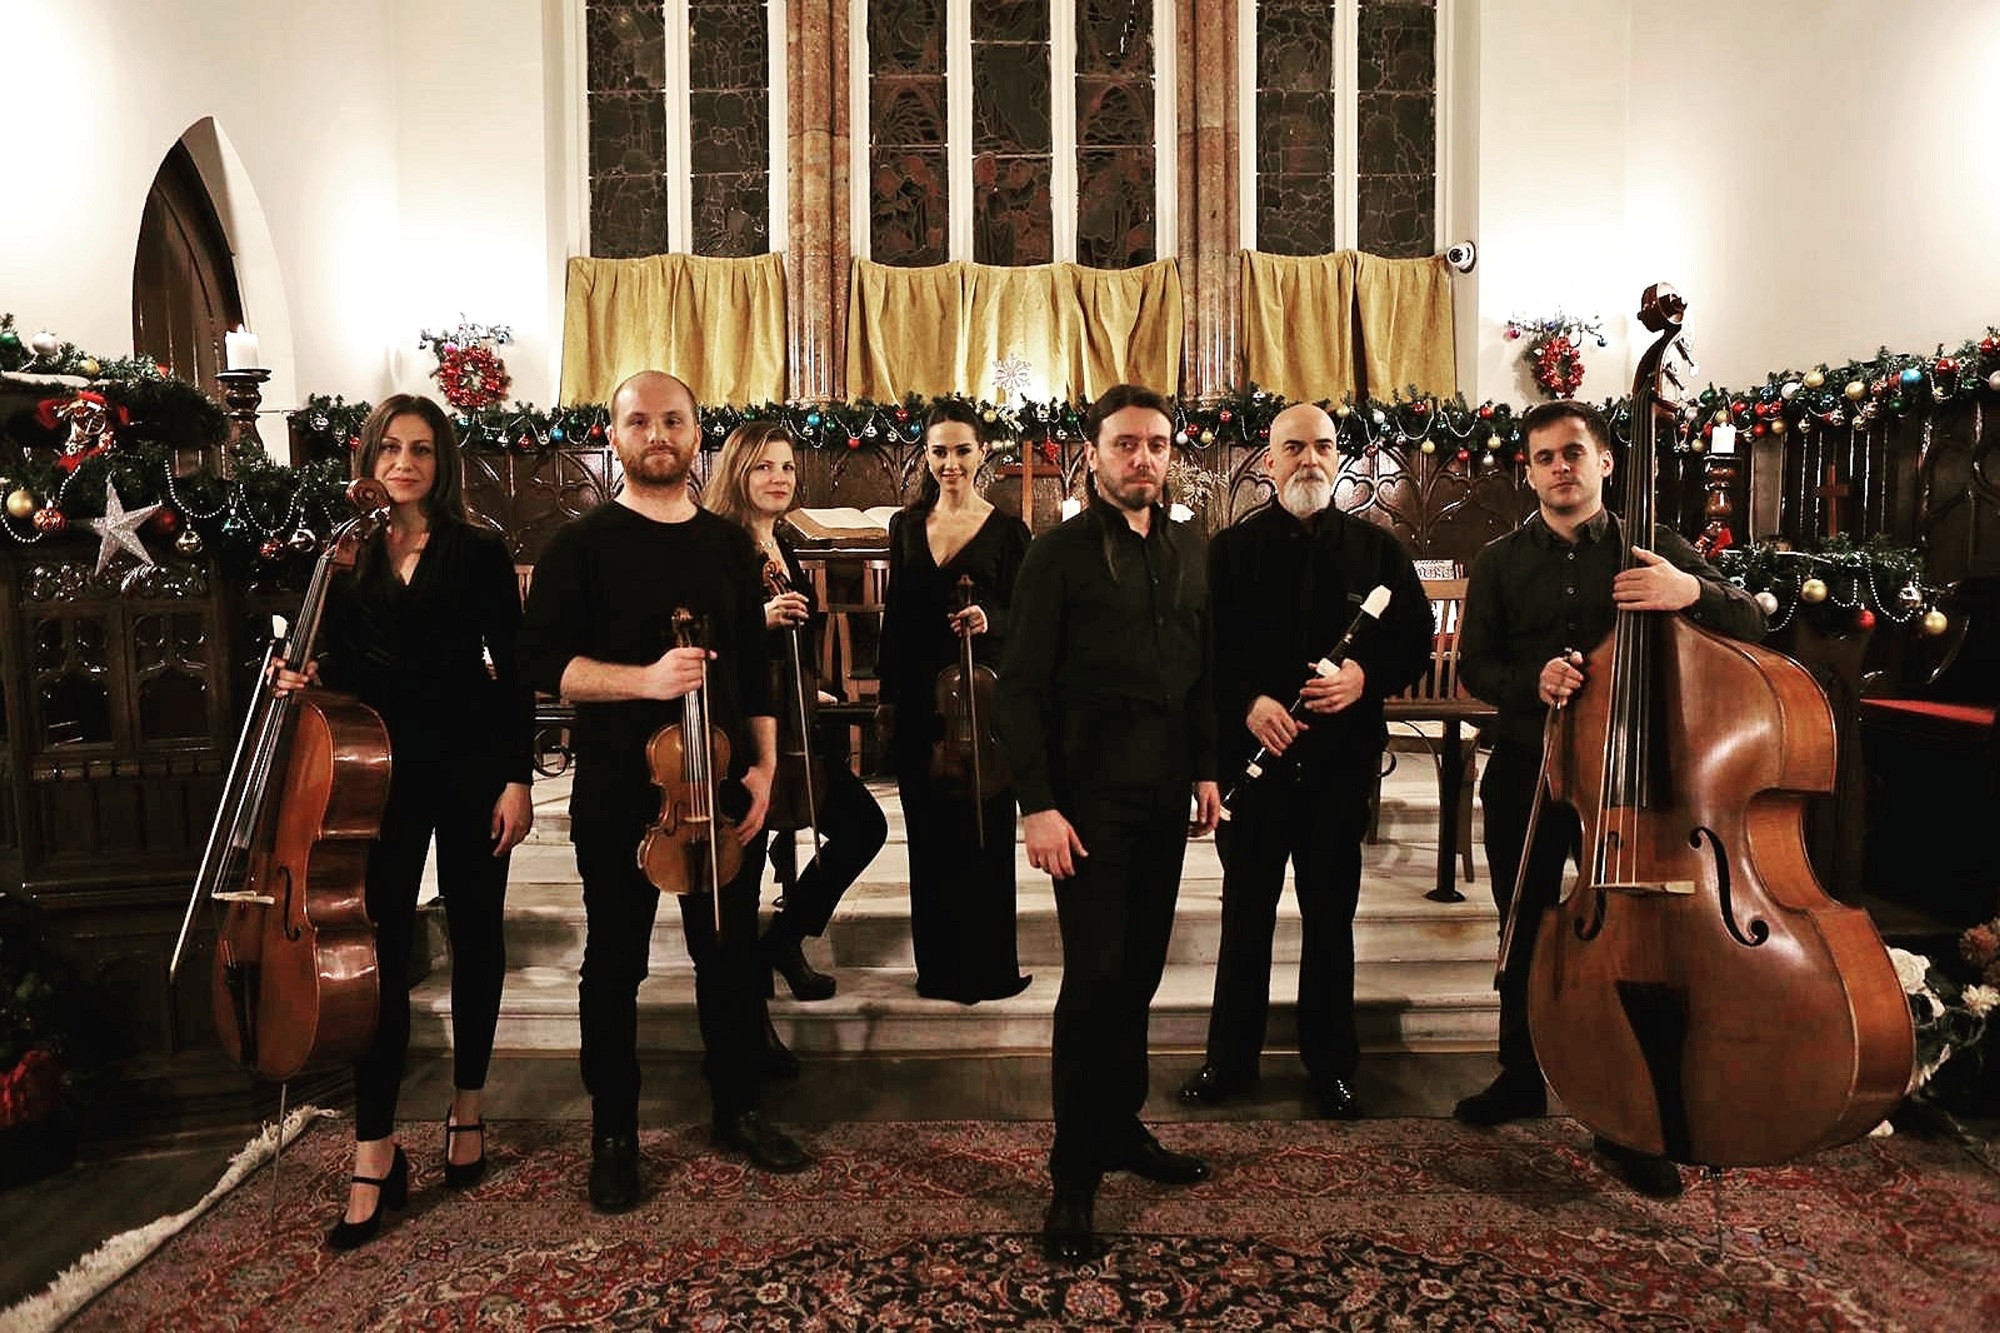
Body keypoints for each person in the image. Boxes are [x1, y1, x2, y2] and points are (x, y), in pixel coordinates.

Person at [1455, 399, 1767, 1199]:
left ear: (1604, 461)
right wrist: (1531, 681)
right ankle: (1520, 1074)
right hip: (1531, 767)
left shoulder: (1655, 544)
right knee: (1524, 925)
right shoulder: (1498, 561)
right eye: (1543, 457)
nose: (1559, 468)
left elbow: (1750, 621)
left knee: (1632, 938)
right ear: (1528, 472)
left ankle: (1626, 1117)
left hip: (1633, 782)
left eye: (1573, 452)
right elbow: (1476, 666)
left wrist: (1685, 590)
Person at [518, 370, 810, 1214]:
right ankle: (614, 1133)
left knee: (729, 957)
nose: (658, 434)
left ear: (696, 434)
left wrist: (764, 768)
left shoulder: (728, 546)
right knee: (615, 965)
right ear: (613, 436)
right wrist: (645, 680)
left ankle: (738, 1108)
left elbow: (753, 671)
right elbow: (545, 665)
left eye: (673, 420)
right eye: (640, 421)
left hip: (718, 786)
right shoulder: (581, 546)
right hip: (620, 792)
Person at [273, 393, 534, 1251]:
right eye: (390, 448)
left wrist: (516, 778)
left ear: (441, 461)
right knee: (377, 950)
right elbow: (337, 662)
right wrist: (303, 678)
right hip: (377, 773)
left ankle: (468, 1105)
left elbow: (514, 672)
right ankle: (374, 1146)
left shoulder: (478, 548)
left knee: (477, 933)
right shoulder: (345, 555)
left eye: (421, 449)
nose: (404, 463)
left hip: (469, 764)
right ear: (369, 459)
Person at [997, 383, 1221, 1264]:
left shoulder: (1186, 547)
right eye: (1126, 444)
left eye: (1157, 444)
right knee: (1093, 983)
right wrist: (1037, 804)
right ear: (1092, 454)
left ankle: (1121, 1127)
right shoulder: (1055, 555)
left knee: (1139, 974)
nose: (1143, 458)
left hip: (1163, 797)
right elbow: (1021, 688)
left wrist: (1205, 767)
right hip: (1085, 805)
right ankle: (1072, 1177)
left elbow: (1199, 670)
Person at [1179, 402, 1433, 1120]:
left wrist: (1363, 678)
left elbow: (1414, 641)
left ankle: (1332, 1068)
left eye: (1322, 445)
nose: (1310, 459)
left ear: (1338, 455)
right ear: (1269, 460)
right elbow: (1202, 651)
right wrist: (1249, 703)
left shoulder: (1378, 551)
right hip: (1253, 768)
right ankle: (1230, 1062)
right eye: (1294, 447)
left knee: (1329, 920)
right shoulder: (1229, 551)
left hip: (1338, 769)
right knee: (1245, 918)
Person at [702, 420, 889, 1000]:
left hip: (794, 722)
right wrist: (758, 619)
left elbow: (795, 640)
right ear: (737, 472)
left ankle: (783, 940)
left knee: (863, 827)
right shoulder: (717, 546)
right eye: (763, 466)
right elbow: (697, 634)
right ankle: (744, 1002)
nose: (779, 477)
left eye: (786, 466)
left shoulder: (781, 544)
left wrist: (809, 687)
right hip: (741, 732)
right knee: (749, 860)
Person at [876, 400, 1034, 1003]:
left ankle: (990, 968)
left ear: (982, 452)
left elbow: (1028, 619)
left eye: (962, 450)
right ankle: (938, 969)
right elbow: (895, 619)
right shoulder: (905, 526)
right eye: (939, 451)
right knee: (929, 840)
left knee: (984, 835)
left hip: (981, 706)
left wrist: (990, 619)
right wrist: (888, 699)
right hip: (921, 705)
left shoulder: (1009, 531)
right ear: (925, 455)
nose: (951, 463)